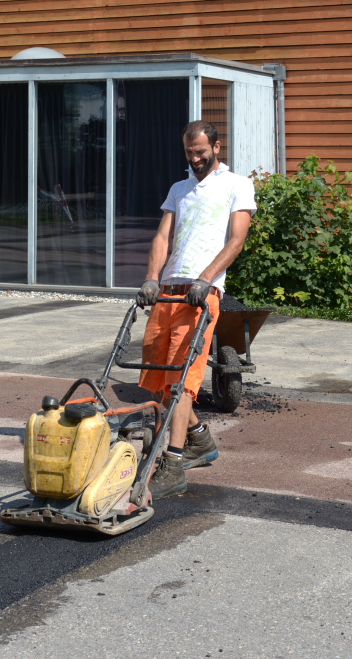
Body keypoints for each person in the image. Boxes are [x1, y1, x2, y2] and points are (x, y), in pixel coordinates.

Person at [136, 119, 256, 498]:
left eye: (201, 152)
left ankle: (172, 463)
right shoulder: (179, 188)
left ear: (217, 147)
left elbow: (236, 241)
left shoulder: (237, 185)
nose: (195, 158)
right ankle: (199, 439)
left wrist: (205, 279)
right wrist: (151, 278)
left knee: (182, 379)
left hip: (201, 294)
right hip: (168, 292)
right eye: (189, 153)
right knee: (158, 375)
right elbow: (162, 237)